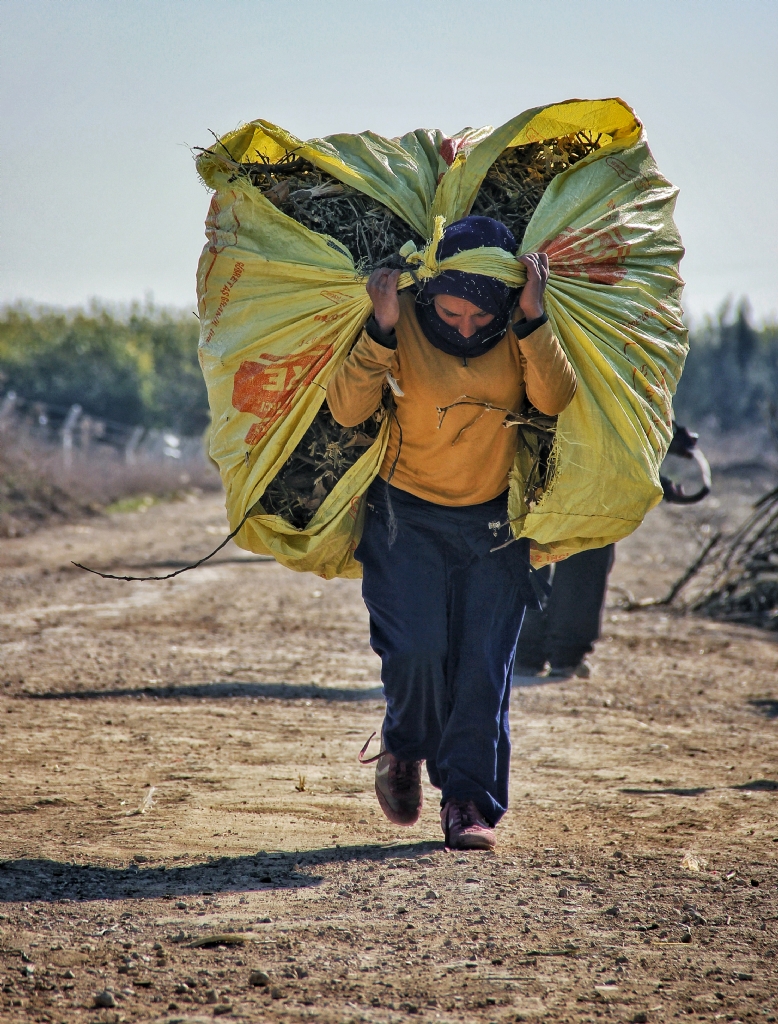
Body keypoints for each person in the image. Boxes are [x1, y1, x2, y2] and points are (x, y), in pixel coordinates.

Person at [326, 216, 577, 851]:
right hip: (403, 517)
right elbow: (348, 409)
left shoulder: (517, 325)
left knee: (482, 672)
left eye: (477, 318)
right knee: (415, 652)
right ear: (429, 292)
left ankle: (468, 801)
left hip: (494, 524)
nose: (464, 326)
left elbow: (552, 399)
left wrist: (532, 318)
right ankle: (403, 748)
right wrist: (380, 327)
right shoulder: (401, 316)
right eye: (451, 313)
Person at [514, 423, 711, 681]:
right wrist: (664, 438)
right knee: (584, 557)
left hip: (540, 460)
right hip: (589, 473)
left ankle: (525, 651)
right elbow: (621, 406)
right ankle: (563, 653)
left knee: (534, 555)